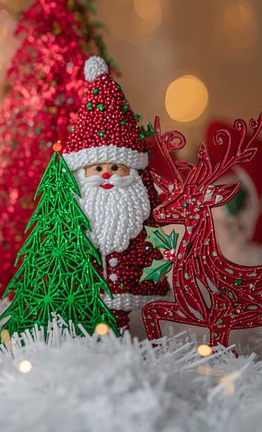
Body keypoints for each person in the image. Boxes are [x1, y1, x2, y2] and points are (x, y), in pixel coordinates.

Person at [61, 56, 169, 330]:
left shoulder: (138, 213)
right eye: (98, 168)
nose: (107, 175)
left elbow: (151, 252)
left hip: (130, 288)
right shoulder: (76, 218)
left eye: (115, 167)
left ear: (132, 171)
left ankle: (120, 329)